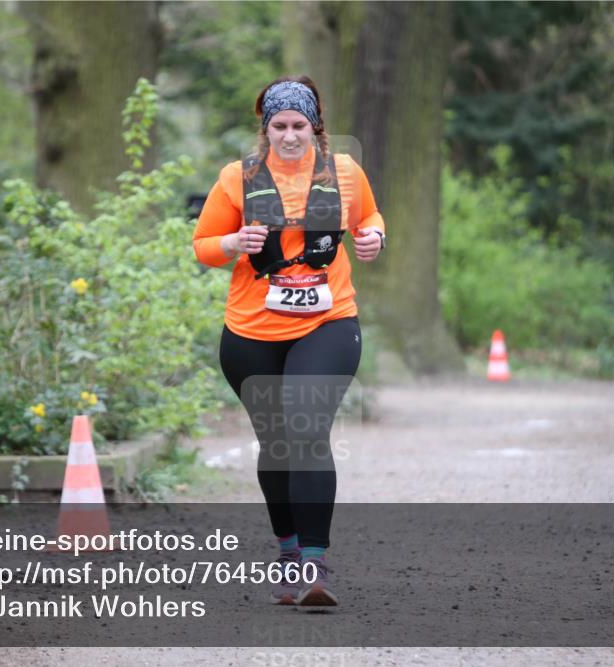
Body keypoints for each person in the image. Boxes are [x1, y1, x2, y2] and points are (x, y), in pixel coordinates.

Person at [192, 76, 386, 607]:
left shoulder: (344, 171)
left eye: (299, 126)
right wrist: (234, 241)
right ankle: (288, 552)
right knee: (277, 445)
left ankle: (314, 567)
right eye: (279, 126)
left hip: (328, 323)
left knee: (306, 429)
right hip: (250, 332)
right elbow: (204, 246)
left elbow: (368, 217)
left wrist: (374, 237)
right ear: (266, 129)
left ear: (315, 127)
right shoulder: (238, 178)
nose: (290, 136)